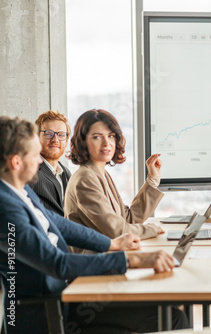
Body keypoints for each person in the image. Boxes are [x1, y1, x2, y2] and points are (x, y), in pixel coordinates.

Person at [0, 116, 187, 334]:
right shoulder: (6, 207)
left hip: (68, 294)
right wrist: (131, 259)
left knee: (170, 311)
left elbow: (60, 224)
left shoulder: (20, 190)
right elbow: (56, 264)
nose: (41, 161)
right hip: (52, 311)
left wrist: (110, 244)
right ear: (16, 162)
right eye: (35, 155)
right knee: (172, 317)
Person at [64, 109, 164, 240]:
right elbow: (116, 230)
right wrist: (152, 229)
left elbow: (128, 219)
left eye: (111, 136)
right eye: (97, 137)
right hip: (95, 258)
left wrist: (153, 180)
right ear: (83, 142)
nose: (106, 143)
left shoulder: (102, 174)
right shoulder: (85, 179)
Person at [29, 110, 72, 216]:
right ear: (37, 137)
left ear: (66, 142)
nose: (55, 140)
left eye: (61, 135)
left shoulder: (66, 173)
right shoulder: (29, 172)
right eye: (49, 134)